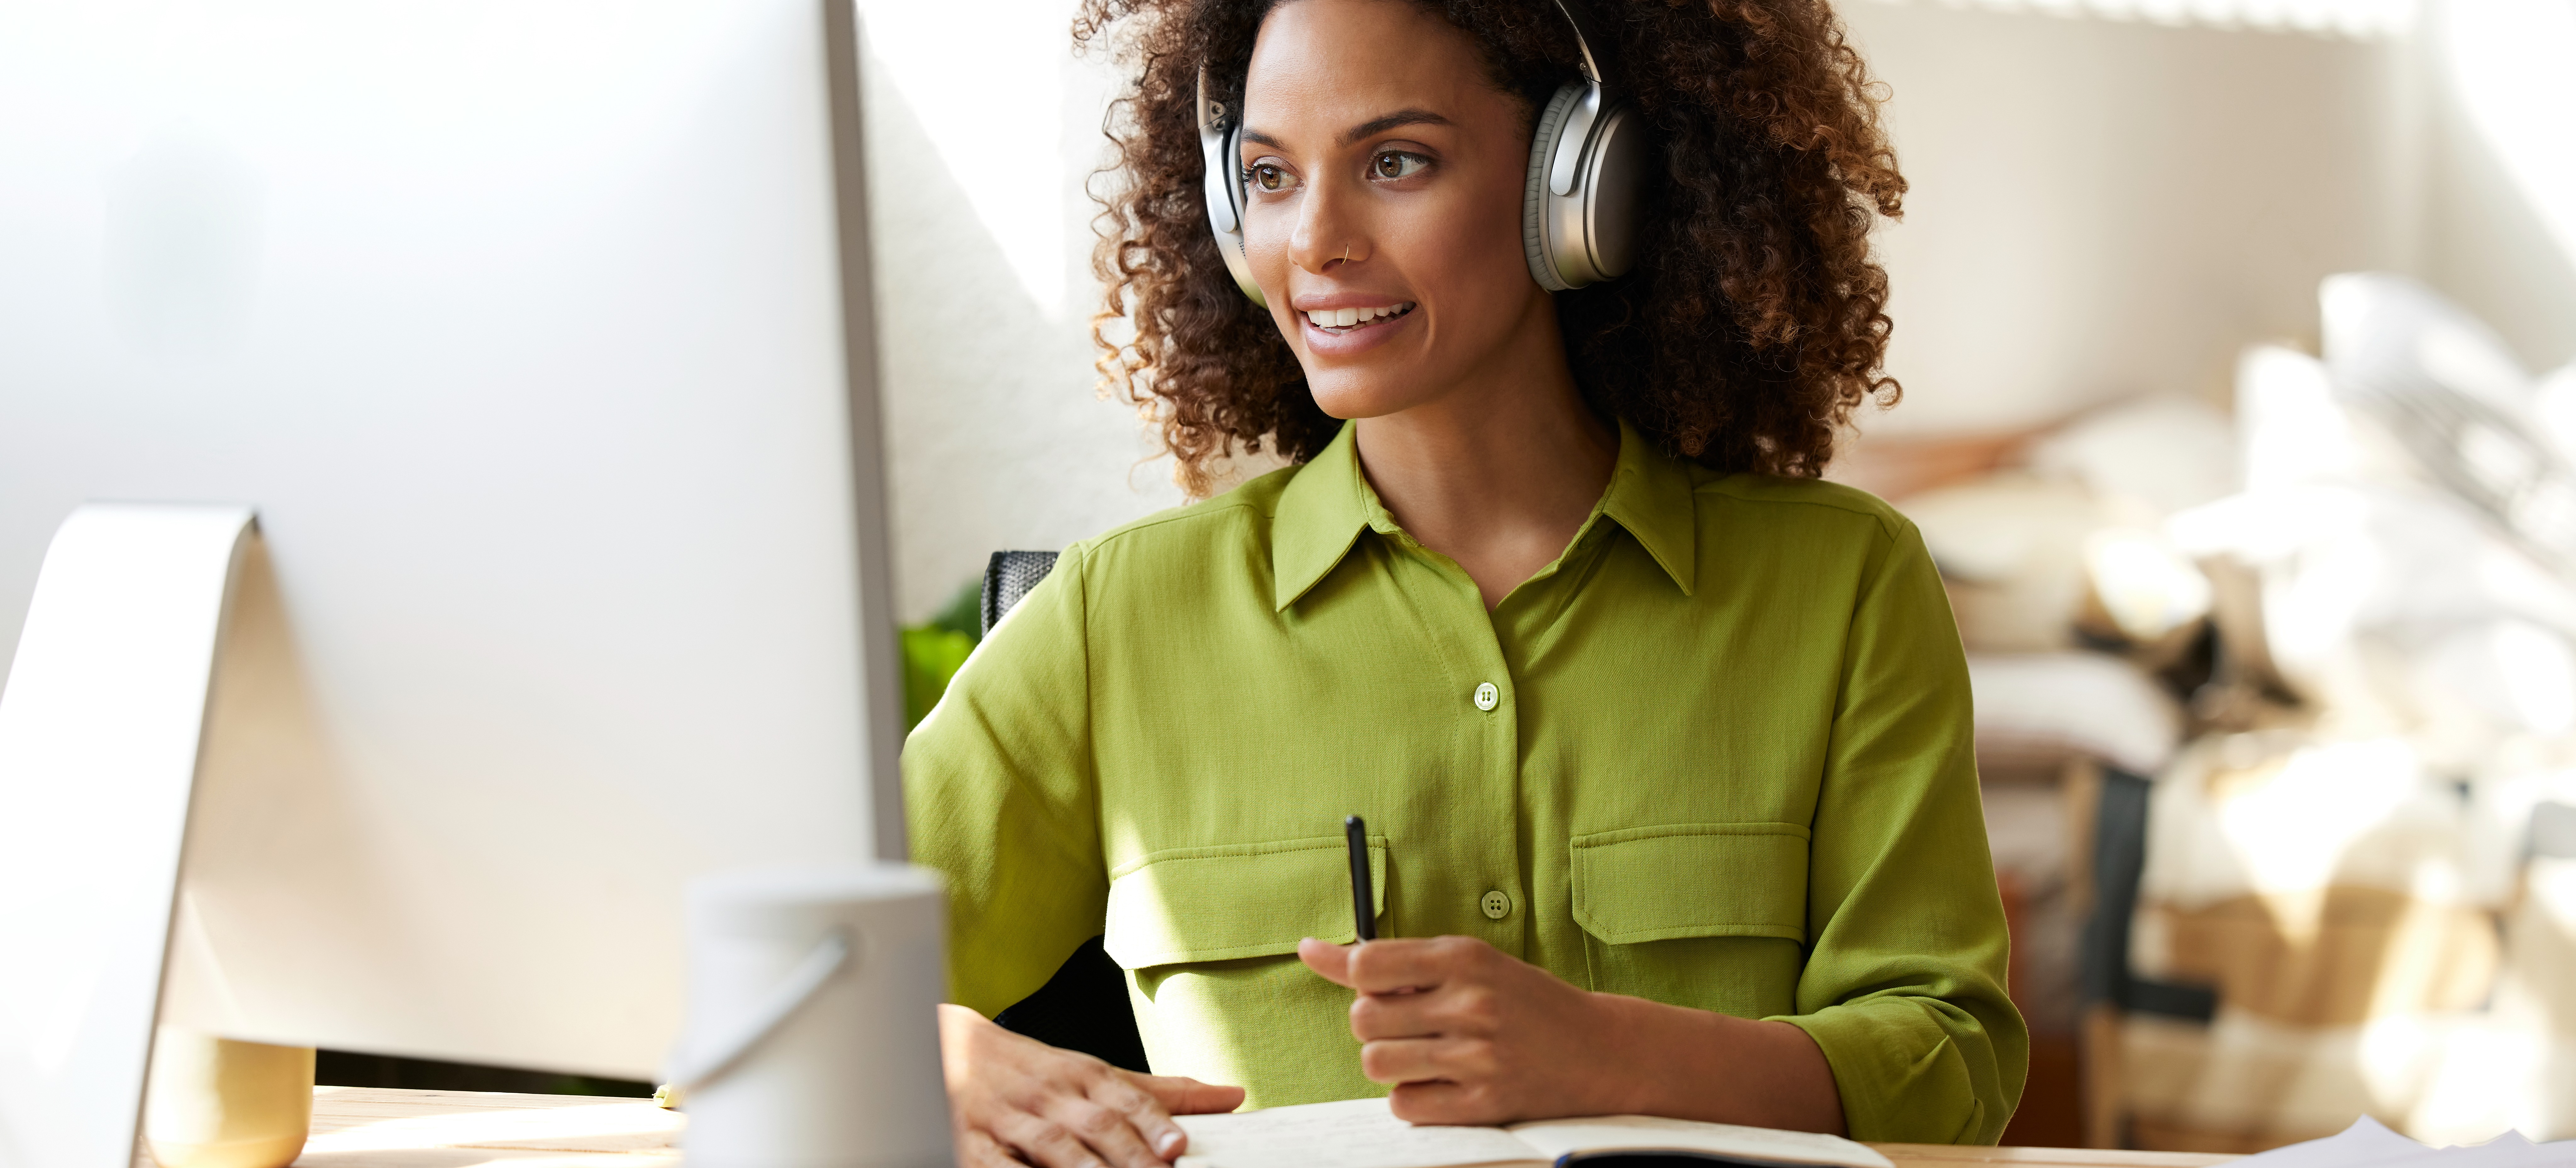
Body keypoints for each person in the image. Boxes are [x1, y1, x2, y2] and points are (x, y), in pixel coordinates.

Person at [903, 0, 2026, 1164]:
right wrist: (936, 1054)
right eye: (1270, 177)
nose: (1317, 241)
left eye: (1396, 161)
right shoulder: (1113, 620)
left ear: (1578, 189)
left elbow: (1952, 1060)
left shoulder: (1845, 588)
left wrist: (1613, 1055)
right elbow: (772, 987)